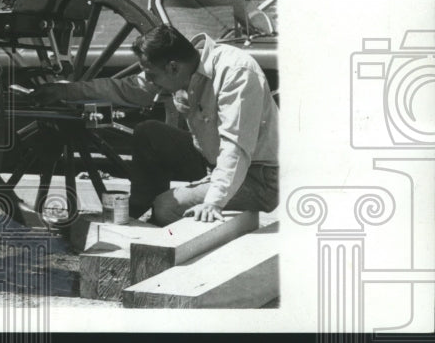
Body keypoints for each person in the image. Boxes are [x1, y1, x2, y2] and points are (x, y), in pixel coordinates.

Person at [31, 24, 278, 226]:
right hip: (211, 162)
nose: (148, 82)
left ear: (173, 67)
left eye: (151, 75)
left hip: (258, 178)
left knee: (166, 207)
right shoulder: (183, 68)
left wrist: (213, 202)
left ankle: (166, 245)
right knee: (149, 132)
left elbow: (235, 147)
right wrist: (66, 91)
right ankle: (140, 209)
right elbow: (128, 88)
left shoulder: (236, 72)